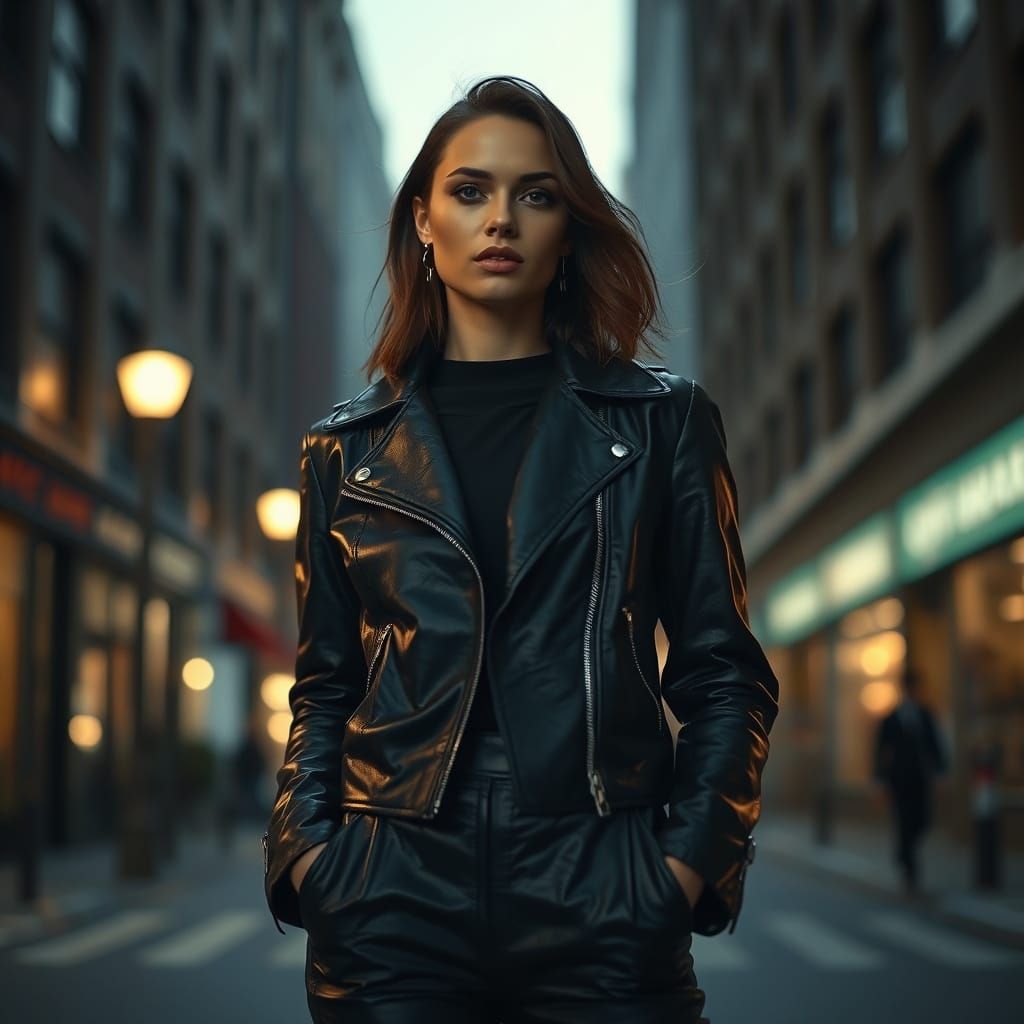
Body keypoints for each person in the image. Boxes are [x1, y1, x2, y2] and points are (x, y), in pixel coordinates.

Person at [262, 75, 779, 1024]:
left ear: (569, 227)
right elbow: (325, 685)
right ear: (423, 220)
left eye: (535, 194)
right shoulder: (344, 449)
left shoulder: (663, 422)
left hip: (604, 876)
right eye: (469, 191)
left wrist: (682, 868)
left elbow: (722, 674)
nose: (500, 217)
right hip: (390, 885)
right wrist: (309, 855)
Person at [873, 666, 948, 894]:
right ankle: (909, 869)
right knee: (904, 823)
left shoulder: (925, 715)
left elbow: (935, 746)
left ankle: (904, 855)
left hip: (920, 779)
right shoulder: (891, 718)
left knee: (921, 822)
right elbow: (879, 751)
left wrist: (941, 772)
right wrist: (880, 780)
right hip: (899, 781)